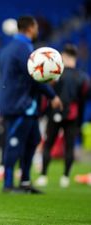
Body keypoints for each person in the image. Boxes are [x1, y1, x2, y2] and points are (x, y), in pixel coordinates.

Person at [0, 15, 63, 194]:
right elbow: (35, 78)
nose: (37, 30)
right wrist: (52, 96)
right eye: (36, 27)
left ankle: (25, 181)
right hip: (20, 106)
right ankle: (8, 185)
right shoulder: (24, 49)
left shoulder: (9, 49)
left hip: (21, 105)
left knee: (33, 140)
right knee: (14, 143)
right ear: (31, 27)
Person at [35, 44, 90, 188]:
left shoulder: (55, 74)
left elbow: (47, 96)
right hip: (73, 115)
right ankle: (65, 178)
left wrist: (44, 114)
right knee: (69, 147)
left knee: (48, 144)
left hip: (54, 113)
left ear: (64, 57)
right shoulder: (83, 77)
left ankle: (43, 176)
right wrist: (79, 121)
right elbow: (84, 99)